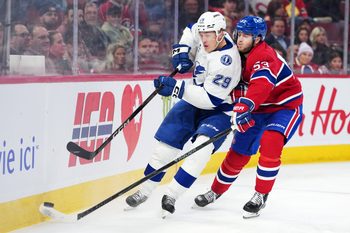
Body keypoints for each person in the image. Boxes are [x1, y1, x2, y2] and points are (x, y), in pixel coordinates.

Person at [125, 11, 241, 216]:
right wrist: (182, 51)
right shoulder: (207, 33)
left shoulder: (227, 61)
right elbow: (190, 29)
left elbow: (210, 100)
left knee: (200, 151)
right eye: (203, 34)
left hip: (219, 109)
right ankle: (144, 191)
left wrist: (176, 87)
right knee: (165, 148)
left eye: (208, 35)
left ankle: (172, 195)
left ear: (221, 34)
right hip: (193, 99)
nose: (204, 38)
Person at [194, 15, 303, 219]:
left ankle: (261, 195)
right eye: (239, 34)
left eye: (247, 36)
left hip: (284, 107)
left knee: (271, 141)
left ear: (258, 39)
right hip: (256, 109)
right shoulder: (233, 52)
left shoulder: (264, 56)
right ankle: (215, 191)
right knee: (238, 152)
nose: (241, 39)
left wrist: (244, 105)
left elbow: (261, 86)